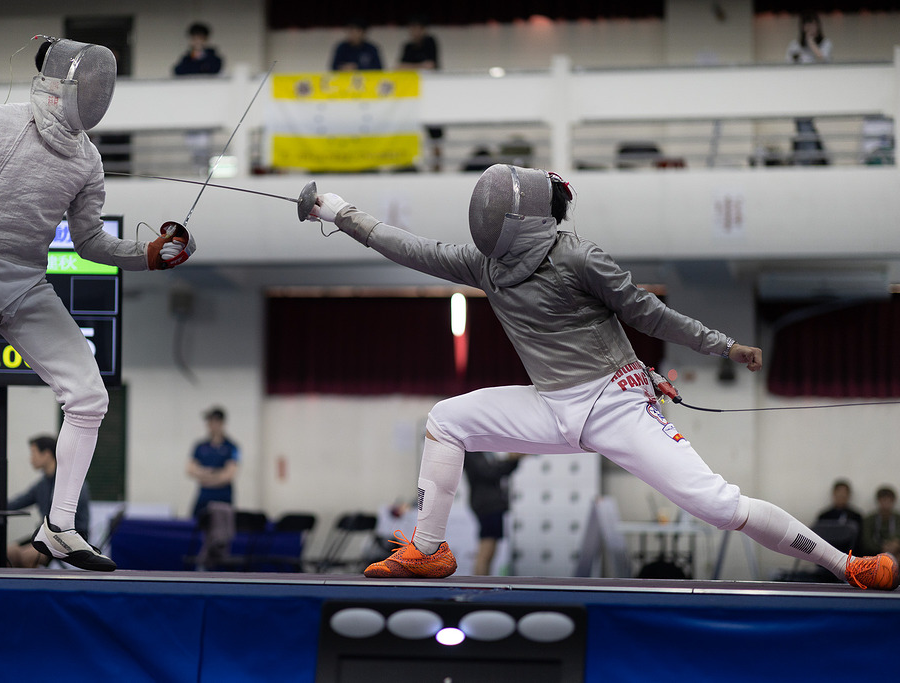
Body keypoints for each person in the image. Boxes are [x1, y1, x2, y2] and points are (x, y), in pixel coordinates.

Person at [306, 164, 900, 590]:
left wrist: (722, 346)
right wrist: (334, 209)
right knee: (446, 420)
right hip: (551, 407)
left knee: (720, 505)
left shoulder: (577, 256)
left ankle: (847, 565)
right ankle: (429, 550)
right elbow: (404, 246)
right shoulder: (485, 265)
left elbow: (647, 313)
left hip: (615, 407)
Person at [0, 37, 195, 572]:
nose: (95, 95)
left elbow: (90, 241)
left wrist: (148, 255)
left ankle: (60, 527)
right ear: (61, 83)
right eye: (88, 85)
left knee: (89, 398)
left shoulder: (88, 159)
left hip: (26, 281)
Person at [6, 435, 92, 568]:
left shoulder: (73, 483)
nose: (31, 459)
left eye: (33, 453)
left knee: (27, 556)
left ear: (46, 454)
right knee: (9, 553)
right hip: (47, 537)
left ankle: (32, 582)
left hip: (70, 538)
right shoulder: (41, 485)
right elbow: (16, 503)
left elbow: (72, 522)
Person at [464, 451, 525, 575]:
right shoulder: (473, 451)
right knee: (487, 547)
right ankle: (479, 582)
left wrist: (514, 459)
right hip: (486, 504)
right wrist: (511, 459)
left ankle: (481, 581)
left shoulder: (483, 451)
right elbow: (489, 472)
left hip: (492, 503)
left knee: (490, 548)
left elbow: (499, 470)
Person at [398, 15, 444, 172]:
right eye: (412, 29)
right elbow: (399, 68)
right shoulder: (407, 47)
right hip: (413, 95)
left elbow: (431, 66)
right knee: (410, 130)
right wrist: (419, 66)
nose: (414, 32)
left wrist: (411, 67)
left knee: (435, 133)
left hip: (432, 94)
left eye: (417, 28)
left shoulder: (430, 42)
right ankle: (409, 166)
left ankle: (437, 167)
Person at [786, 12, 831, 165]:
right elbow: (787, 66)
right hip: (799, 93)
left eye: (813, 24)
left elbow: (823, 60)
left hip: (818, 91)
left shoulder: (825, 44)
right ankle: (807, 161)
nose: (810, 28)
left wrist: (811, 42)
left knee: (806, 128)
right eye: (807, 24)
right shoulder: (795, 45)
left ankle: (808, 161)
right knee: (803, 127)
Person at [188, 407, 240, 521]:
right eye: (209, 421)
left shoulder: (231, 447)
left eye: (213, 421)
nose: (210, 425)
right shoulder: (200, 446)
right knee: (195, 523)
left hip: (223, 496)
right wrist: (216, 474)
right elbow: (190, 470)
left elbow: (228, 475)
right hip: (204, 496)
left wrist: (206, 476)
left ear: (221, 423)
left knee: (222, 527)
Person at [862, 486, 900, 557]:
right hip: (874, 553)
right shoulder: (869, 519)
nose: (886, 504)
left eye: (889, 501)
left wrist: (896, 544)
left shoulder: (898, 518)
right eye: (883, 500)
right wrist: (881, 547)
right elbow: (867, 541)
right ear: (878, 501)